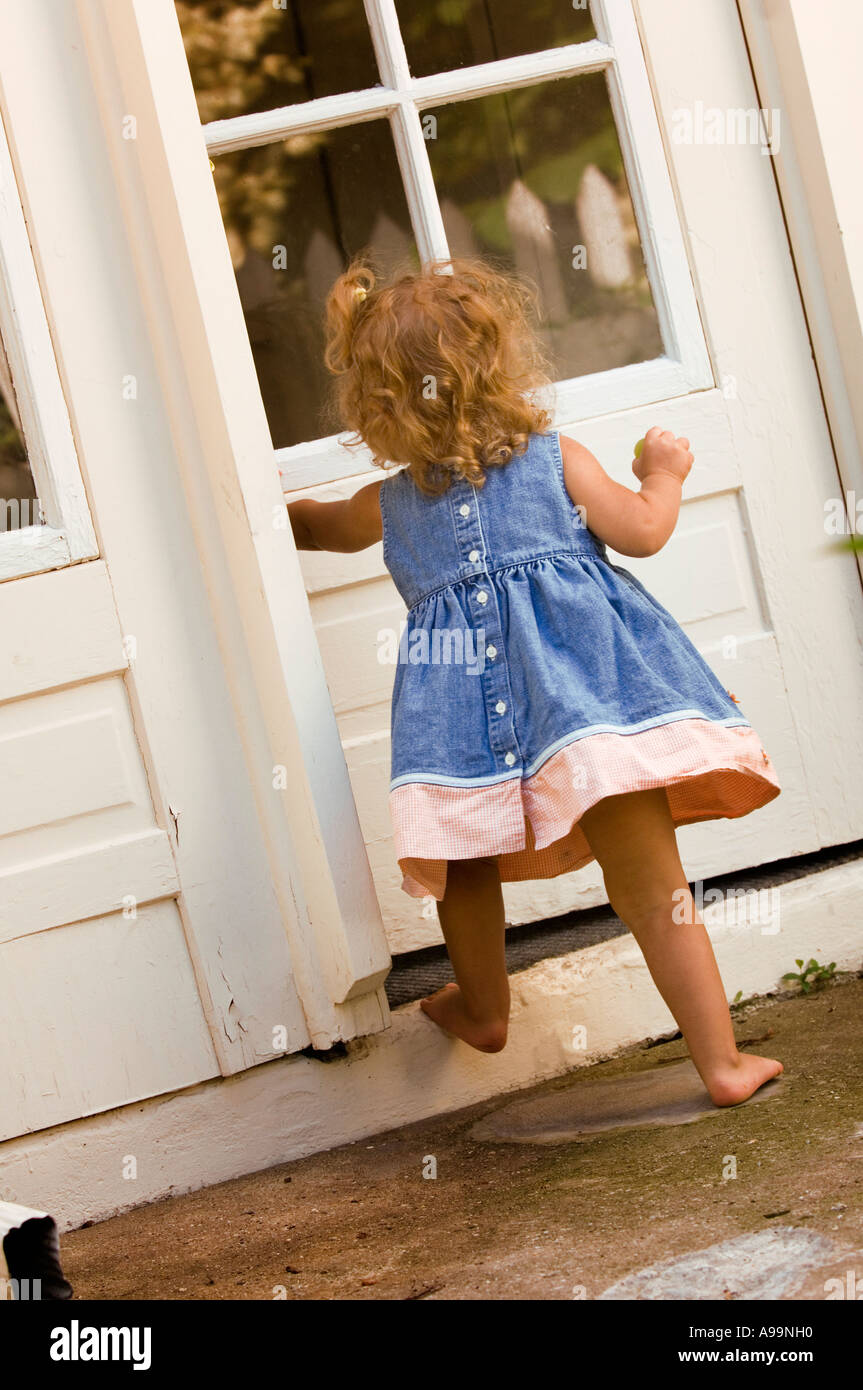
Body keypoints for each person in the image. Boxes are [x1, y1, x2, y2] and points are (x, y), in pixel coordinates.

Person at [289, 256, 783, 1107]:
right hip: (590, 712)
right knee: (653, 888)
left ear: (376, 407)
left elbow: (315, 529)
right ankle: (722, 1064)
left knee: (465, 867)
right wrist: (661, 474)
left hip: (460, 731)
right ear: (497, 366)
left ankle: (483, 1010)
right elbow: (642, 533)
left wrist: (261, 515)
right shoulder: (559, 462)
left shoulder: (392, 504)